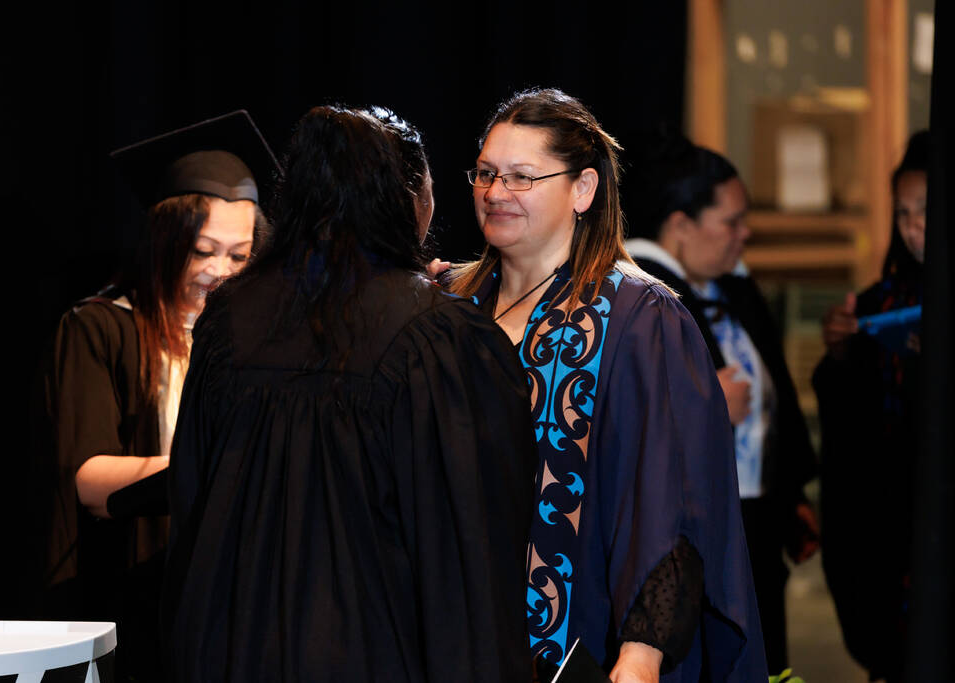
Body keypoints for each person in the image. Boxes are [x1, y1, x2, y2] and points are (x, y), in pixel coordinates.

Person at [160, 106, 537, 682]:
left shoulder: (227, 318)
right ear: (406, 198)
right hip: (372, 647)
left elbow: (192, 497)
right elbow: (470, 550)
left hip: (229, 640)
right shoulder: (439, 335)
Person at [447, 88, 765, 682]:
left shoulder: (640, 318)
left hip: (575, 643)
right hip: (448, 637)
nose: (495, 193)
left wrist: (641, 656)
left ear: (583, 189)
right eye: (486, 174)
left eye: (522, 177)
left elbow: (678, 501)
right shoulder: (449, 308)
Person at [44, 110, 278, 679]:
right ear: (166, 241)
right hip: (133, 589)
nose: (220, 271)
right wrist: (200, 467)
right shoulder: (101, 328)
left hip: (232, 596)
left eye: (239, 255)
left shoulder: (261, 340)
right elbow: (89, 480)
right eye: (203, 250)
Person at [619, 132, 819, 674]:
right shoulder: (641, 299)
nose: (744, 234)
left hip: (752, 521)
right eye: (730, 222)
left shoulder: (730, 288)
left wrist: (789, 496)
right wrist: (709, 406)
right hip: (687, 534)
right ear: (681, 226)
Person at [813, 130, 930, 683]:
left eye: (927, 210)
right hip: (891, 528)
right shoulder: (881, 301)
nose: (914, 228)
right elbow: (854, 432)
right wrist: (841, 355)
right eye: (903, 213)